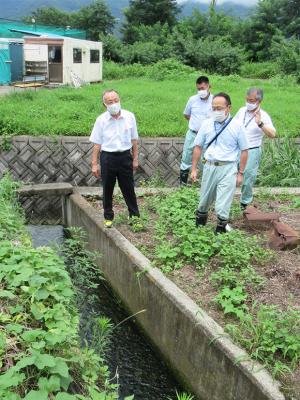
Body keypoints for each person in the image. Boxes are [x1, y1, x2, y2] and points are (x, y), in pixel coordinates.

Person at [191, 93, 249, 234]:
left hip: (228, 168)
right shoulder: (206, 124)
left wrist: (240, 173)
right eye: (213, 108)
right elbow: (198, 146)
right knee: (204, 201)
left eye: (219, 108)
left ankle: (220, 234)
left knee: (222, 204)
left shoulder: (237, 126)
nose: (216, 111)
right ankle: (198, 232)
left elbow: (245, 150)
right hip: (210, 166)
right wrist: (194, 169)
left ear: (228, 108)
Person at [90, 89, 140, 228]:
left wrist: (135, 159)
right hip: (108, 158)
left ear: (120, 100)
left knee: (128, 188)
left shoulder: (130, 116)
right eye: (110, 102)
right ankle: (108, 216)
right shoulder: (101, 120)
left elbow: (134, 140)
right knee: (107, 188)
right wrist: (94, 164)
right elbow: (97, 144)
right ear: (104, 104)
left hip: (125, 156)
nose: (114, 104)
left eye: (116, 100)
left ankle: (134, 216)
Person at [234, 88, 276, 209]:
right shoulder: (241, 110)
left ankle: (245, 205)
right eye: (247, 100)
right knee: (229, 175)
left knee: (247, 179)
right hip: (237, 149)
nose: (248, 103)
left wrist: (260, 123)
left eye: (251, 100)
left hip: (252, 150)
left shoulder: (264, 115)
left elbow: (273, 134)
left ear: (259, 101)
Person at [179, 76, 213, 185]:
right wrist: (195, 124)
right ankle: (183, 188)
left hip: (208, 136)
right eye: (198, 89)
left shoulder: (215, 100)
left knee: (206, 161)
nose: (201, 91)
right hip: (193, 134)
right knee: (186, 159)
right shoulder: (192, 99)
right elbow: (186, 114)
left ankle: (204, 187)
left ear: (209, 87)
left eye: (203, 88)